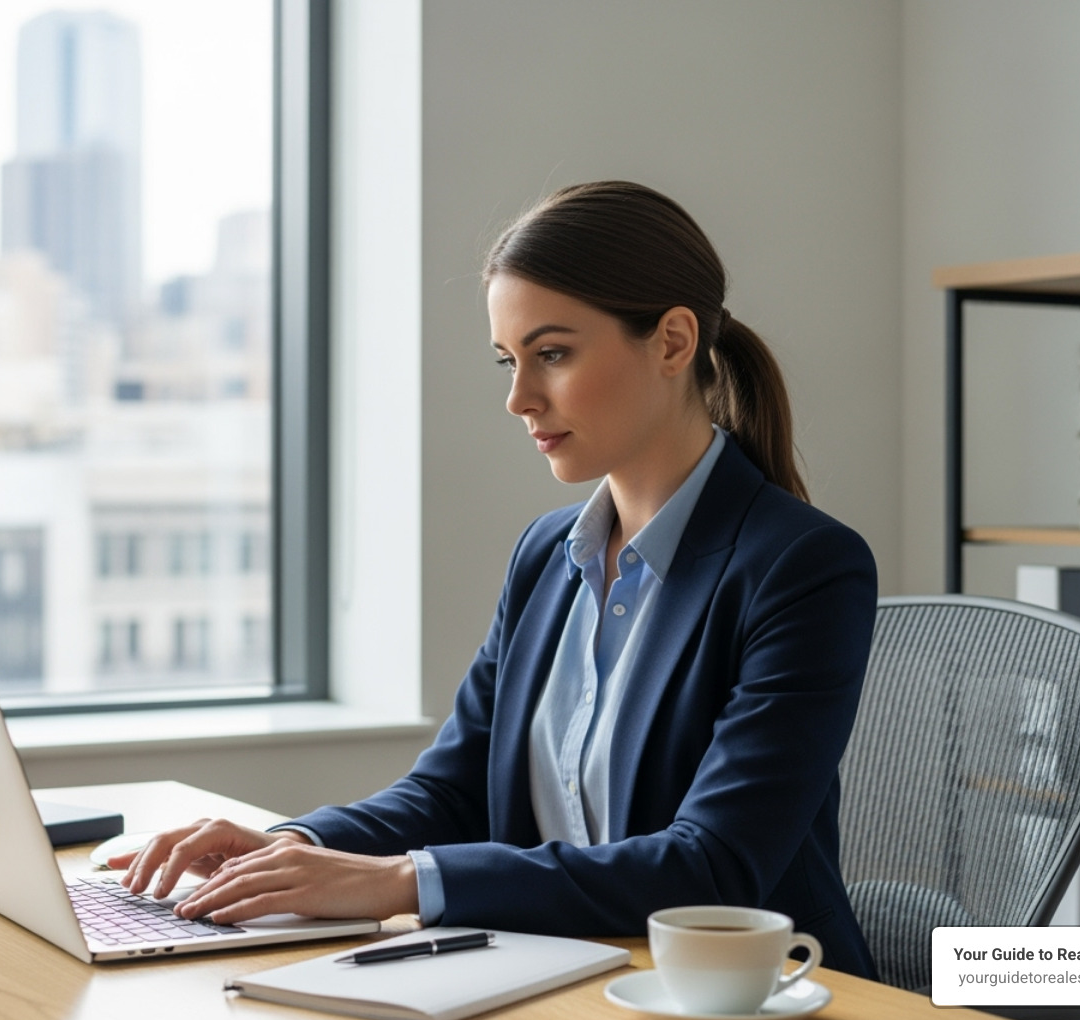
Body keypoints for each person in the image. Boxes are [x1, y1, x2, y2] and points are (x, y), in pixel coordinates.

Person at [116, 180, 879, 978]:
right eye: (509, 361)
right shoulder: (547, 554)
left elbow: (713, 867)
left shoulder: (802, 567)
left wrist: (399, 882)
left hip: (749, 991)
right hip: (567, 973)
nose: (518, 398)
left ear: (672, 342)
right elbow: (454, 791)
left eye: (552, 354)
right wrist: (290, 846)